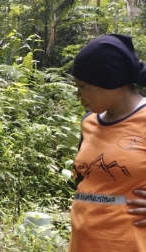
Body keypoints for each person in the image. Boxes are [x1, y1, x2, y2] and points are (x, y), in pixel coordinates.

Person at [69, 34, 146, 252]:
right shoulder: (89, 122)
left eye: (83, 86)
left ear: (111, 81)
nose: (78, 94)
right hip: (83, 243)